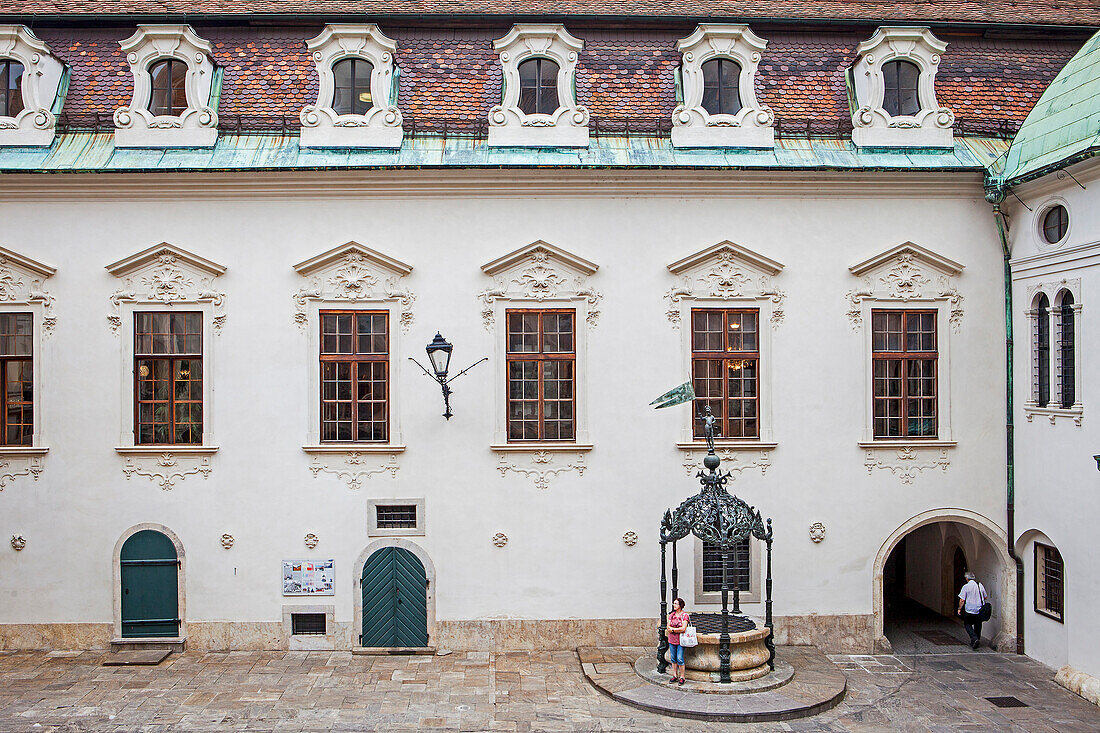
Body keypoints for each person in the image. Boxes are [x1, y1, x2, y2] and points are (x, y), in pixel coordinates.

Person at [957, 571, 987, 649]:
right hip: (979, 609)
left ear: (967, 578)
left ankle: (974, 638)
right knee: (978, 625)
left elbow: (962, 600)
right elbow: (985, 597)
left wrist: (959, 608)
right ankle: (976, 640)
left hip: (969, 610)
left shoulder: (966, 587)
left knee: (967, 624)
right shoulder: (980, 585)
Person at [666, 597, 689, 685]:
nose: (674, 605)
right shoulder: (672, 615)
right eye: (674, 603)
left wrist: (673, 630)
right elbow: (668, 627)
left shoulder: (684, 615)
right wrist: (673, 629)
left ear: (680, 605)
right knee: (673, 658)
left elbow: (683, 628)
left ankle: (682, 677)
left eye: (675, 603)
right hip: (672, 639)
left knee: (680, 658)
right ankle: (675, 675)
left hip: (681, 640)